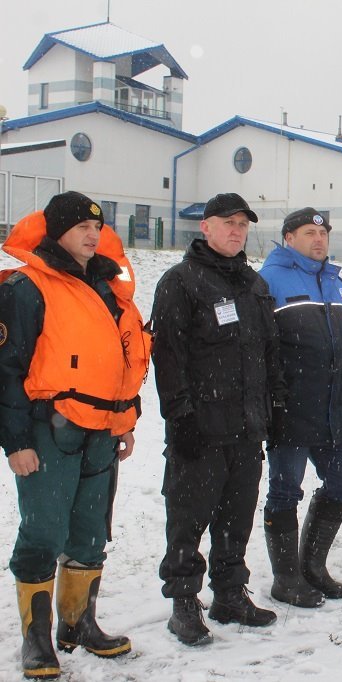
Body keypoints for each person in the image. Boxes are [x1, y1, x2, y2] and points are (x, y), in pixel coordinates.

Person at [0, 192, 148, 677]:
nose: (92, 235)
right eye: (81, 227)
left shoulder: (106, 287)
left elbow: (124, 360)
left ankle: (78, 624)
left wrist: (125, 421)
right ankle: (36, 640)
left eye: (96, 228)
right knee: (43, 532)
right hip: (49, 430)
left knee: (88, 535)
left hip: (103, 431)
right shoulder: (27, 287)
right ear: (56, 232)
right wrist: (16, 441)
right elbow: (7, 369)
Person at [152, 193, 283, 646]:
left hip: (247, 428)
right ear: (204, 227)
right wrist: (181, 416)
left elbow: (269, 353)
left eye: (243, 225)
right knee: (188, 519)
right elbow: (168, 357)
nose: (236, 231)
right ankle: (184, 603)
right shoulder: (181, 282)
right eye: (228, 223)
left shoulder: (253, 284)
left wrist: (274, 407)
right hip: (202, 429)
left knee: (236, 517)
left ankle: (229, 594)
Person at [258, 207, 342, 608]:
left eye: (323, 233)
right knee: (285, 491)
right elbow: (260, 348)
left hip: (336, 406)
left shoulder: (336, 283)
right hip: (291, 407)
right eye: (308, 232)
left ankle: (312, 567)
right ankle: (286, 579)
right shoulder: (269, 281)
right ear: (288, 238)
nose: (318, 240)